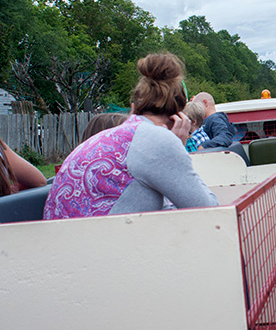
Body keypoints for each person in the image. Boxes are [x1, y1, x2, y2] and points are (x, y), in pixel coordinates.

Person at [43, 53, 218, 219]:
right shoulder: (157, 140)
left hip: (67, 244)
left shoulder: (114, 135)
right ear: (178, 116)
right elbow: (209, 210)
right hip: (97, 246)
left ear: (135, 107)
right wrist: (179, 145)